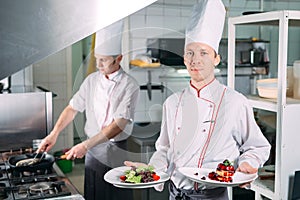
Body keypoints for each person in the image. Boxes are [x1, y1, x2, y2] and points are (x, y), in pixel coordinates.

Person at [125, 1, 271, 199]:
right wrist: (151, 170)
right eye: (190, 53)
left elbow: (258, 146)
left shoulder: (235, 102)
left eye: (204, 53)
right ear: (184, 58)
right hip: (175, 194)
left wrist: (248, 164)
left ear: (216, 59)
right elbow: (164, 150)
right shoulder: (172, 103)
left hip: (213, 196)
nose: (196, 60)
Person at [37, 20, 139, 200]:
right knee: (93, 193)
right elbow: (72, 108)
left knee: (117, 196)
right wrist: (54, 133)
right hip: (93, 152)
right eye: (96, 59)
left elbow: (118, 125)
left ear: (119, 58)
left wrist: (85, 145)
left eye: (104, 60)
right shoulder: (91, 80)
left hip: (117, 151)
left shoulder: (130, 85)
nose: (99, 65)